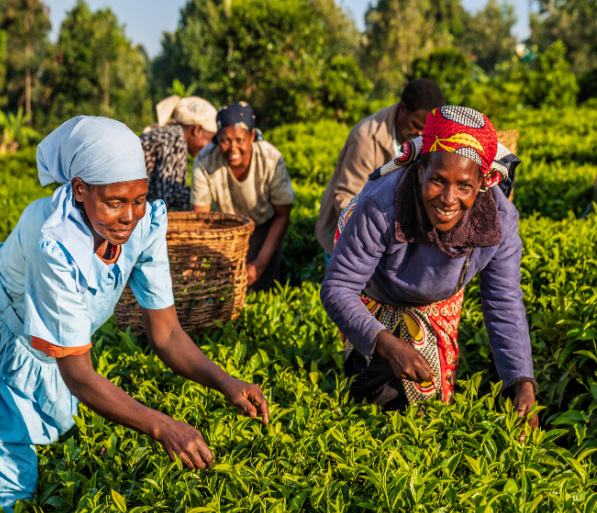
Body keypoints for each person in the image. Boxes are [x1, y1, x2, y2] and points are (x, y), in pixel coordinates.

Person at [0, 116, 269, 513]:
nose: (128, 216)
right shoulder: (54, 242)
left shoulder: (146, 225)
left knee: (33, 434)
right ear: (80, 189)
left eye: (139, 199)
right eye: (114, 202)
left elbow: (167, 334)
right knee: (5, 476)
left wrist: (225, 381)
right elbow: (78, 374)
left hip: (39, 337)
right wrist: (162, 427)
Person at [320, 106, 536, 431]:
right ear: (419, 169)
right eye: (437, 180)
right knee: (377, 391)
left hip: (438, 303)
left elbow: (503, 300)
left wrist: (521, 380)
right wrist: (386, 343)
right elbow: (338, 288)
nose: (449, 198)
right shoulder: (381, 205)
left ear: (482, 183)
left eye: (464, 185)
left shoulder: (499, 220)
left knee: (430, 404)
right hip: (375, 295)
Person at [315, 79, 446, 258]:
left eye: (427, 130)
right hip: (350, 240)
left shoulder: (430, 138)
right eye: (416, 125)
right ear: (402, 110)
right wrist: (382, 233)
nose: (421, 135)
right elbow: (346, 198)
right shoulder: (366, 138)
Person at [191, 102, 295, 292]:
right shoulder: (205, 161)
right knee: (228, 289)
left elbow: (282, 214)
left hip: (265, 227)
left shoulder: (271, 159)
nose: (233, 148)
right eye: (225, 140)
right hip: (227, 229)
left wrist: (260, 264)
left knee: (264, 288)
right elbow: (201, 220)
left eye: (239, 140)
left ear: (252, 136)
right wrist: (194, 262)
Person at [140, 95, 217, 211]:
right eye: (210, 141)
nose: (210, 149)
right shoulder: (176, 140)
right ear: (197, 130)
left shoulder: (169, 133)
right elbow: (169, 196)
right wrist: (205, 191)